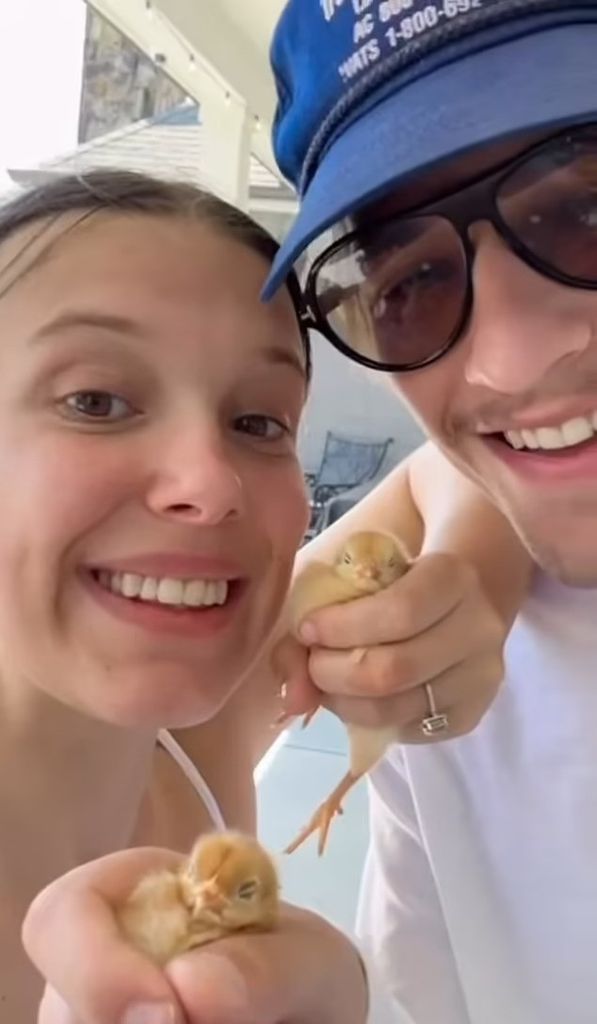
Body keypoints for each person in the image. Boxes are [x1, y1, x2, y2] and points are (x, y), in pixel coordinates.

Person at [24, 0, 597, 1021]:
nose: (207, 481)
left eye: (258, 420)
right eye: (96, 400)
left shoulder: (229, 689)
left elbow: (446, 477)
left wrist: (478, 567)